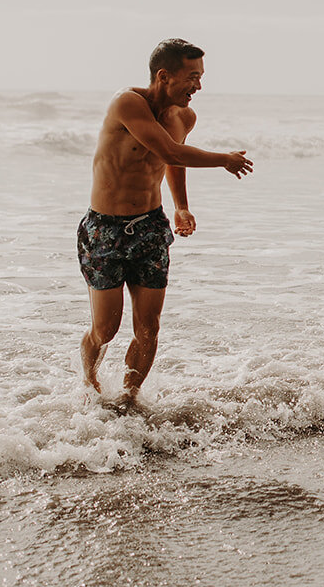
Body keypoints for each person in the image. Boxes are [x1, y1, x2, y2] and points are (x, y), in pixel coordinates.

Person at [78, 38, 254, 405]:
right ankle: (90, 382)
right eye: (192, 76)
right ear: (164, 75)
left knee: (149, 327)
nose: (199, 86)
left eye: (201, 77)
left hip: (150, 228)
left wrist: (182, 207)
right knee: (106, 329)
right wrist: (224, 159)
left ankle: (127, 401)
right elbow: (170, 150)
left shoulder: (184, 117)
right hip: (104, 230)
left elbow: (171, 162)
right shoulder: (127, 102)